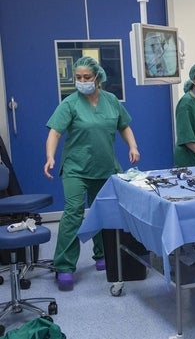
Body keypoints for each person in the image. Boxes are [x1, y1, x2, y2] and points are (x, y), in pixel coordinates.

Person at [43, 56, 140, 291]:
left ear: (98, 77)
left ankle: (102, 255)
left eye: (86, 77)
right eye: (78, 78)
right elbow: (55, 132)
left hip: (105, 167)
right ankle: (64, 266)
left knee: (104, 212)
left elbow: (123, 125)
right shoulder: (70, 103)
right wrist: (50, 156)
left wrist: (133, 146)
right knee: (73, 212)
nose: (82, 81)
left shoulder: (111, 100)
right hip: (76, 168)